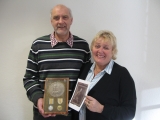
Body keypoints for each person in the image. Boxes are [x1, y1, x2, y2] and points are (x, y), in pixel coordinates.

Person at [23, 4, 91, 120]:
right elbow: (29, 78)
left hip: (73, 116)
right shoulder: (38, 45)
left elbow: (86, 80)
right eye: (56, 18)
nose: (60, 21)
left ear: (71, 20)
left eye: (65, 17)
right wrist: (38, 98)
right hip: (44, 113)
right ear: (51, 21)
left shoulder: (82, 46)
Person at [79, 30, 136, 120]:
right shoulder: (85, 69)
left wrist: (101, 109)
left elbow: (129, 112)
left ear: (113, 51)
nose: (100, 51)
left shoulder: (122, 75)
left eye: (105, 48)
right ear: (92, 48)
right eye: (97, 46)